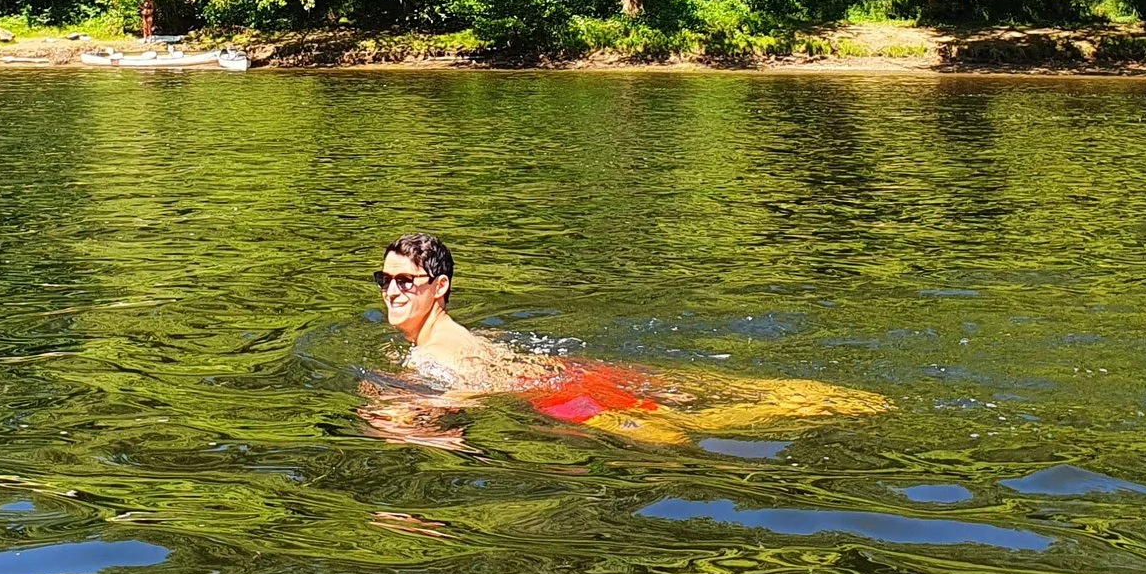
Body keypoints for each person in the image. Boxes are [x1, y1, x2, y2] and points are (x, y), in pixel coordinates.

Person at [362, 232, 889, 448]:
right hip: (573, 372)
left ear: (440, 287)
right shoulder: (454, 337)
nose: (392, 291)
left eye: (405, 281)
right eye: (385, 280)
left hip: (559, 395)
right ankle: (818, 399)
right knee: (692, 402)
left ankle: (825, 407)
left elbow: (455, 408)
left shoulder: (431, 354)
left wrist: (394, 417)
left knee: (679, 433)